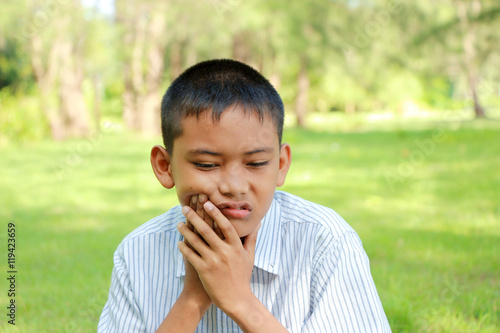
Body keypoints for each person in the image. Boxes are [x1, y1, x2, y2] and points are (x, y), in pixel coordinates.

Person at [98, 59, 391, 332]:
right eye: (206, 164)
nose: (234, 186)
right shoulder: (137, 252)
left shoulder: (324, 241)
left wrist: (239, 299)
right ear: (165, 166)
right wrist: (192, 299)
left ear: (280, 165)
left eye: (256, 163)